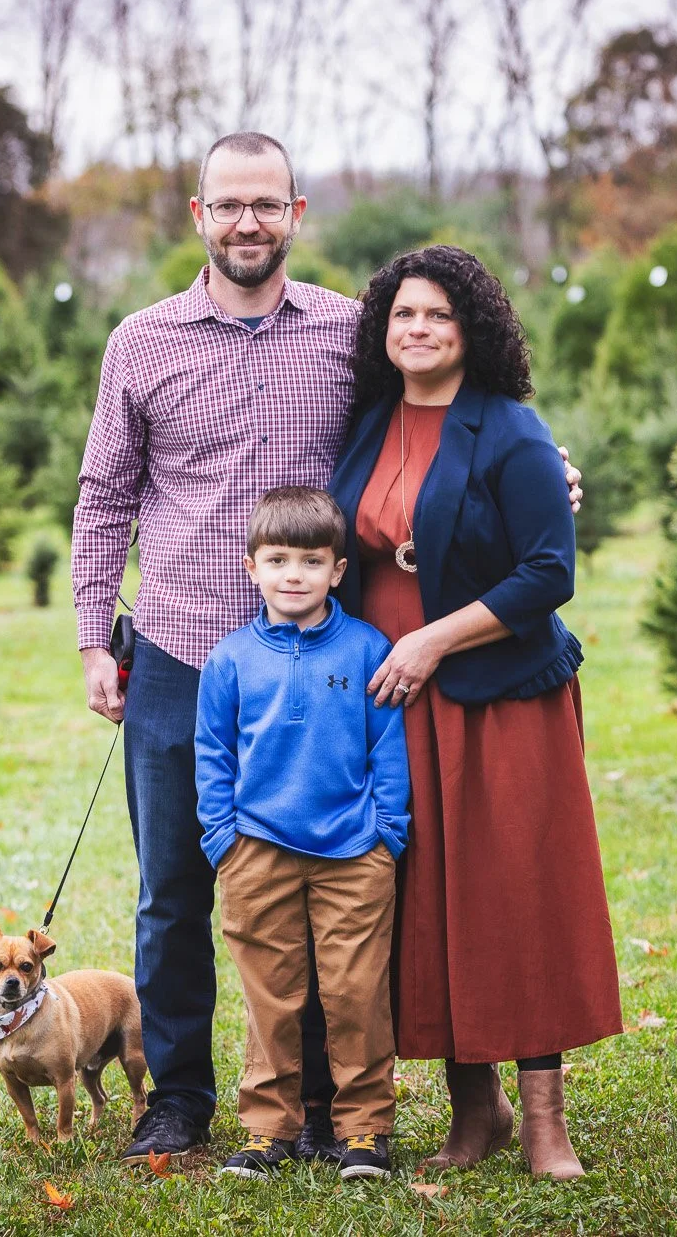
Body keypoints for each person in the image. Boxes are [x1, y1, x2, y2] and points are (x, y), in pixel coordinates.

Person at [72, 132, 581, 1165]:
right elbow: (104, 494)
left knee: (324, 876)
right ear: (197, 216)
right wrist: (94, 637)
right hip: (179, 649)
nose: (247, 222)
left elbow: (442, 424)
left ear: (296, 213)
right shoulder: (141, 340)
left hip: (327, 658)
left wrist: (548, 468)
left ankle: (317, 1103)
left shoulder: (352, 332)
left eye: (266, 204)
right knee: (176, 884)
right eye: (228, 205)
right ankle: (177, 1095)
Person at [329, 245, 621, 1181]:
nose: (417, 329)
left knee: (512, 896)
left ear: (473, 332)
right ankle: (472, 1112)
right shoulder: (369, 424)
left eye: (438, 317)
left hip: (496, 696)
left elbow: (550, 572)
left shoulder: (511, 431)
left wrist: (433, 640)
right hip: (392, 701)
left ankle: (545, 1126)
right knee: (429, 899)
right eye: (404, 314)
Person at [195, 486, 410, 1181]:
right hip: (257, 850)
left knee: (354, 993)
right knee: (272, 996)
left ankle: (365, 1131)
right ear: (251, 566)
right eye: (278, 559)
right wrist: (223, 838)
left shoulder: (368, 646)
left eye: (312, 561)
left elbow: (388, 750)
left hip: (354, 853)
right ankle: (266, 1130)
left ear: (338, 572)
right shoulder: (230, 659)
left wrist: (387, 835)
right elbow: (213, 754)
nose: (294, 574)